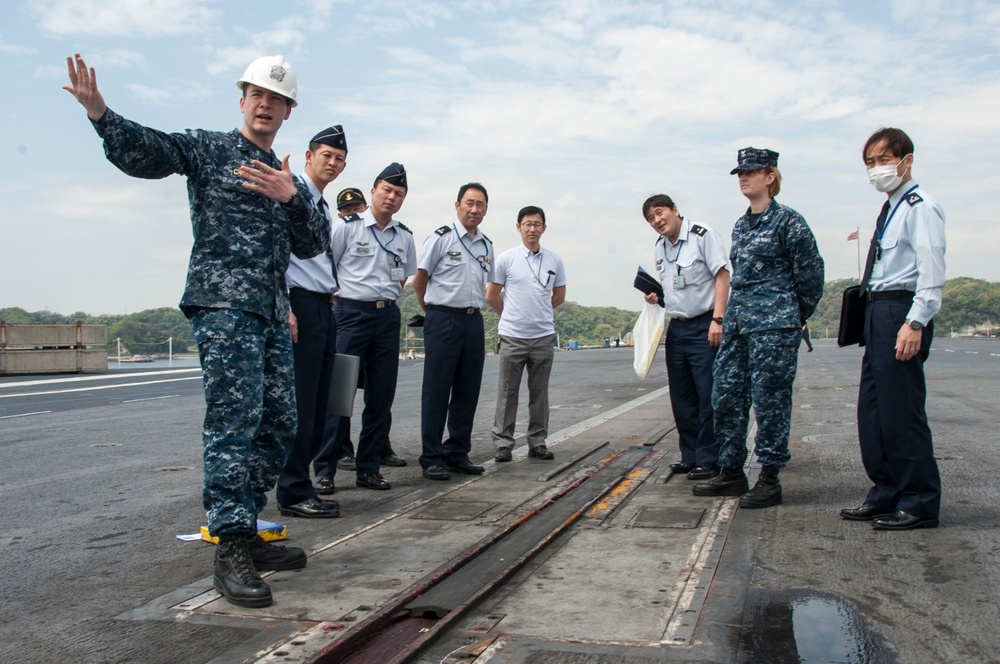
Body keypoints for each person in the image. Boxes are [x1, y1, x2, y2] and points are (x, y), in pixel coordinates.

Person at [64, 54, 328, 608]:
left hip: (272, 312)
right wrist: (101, 115)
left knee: (280, 422)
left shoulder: (285, 177)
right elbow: (152, 152)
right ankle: (229, 543)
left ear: (287, 111)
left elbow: (313, 243)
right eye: (256, 93)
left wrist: (292, 196)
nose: (264, 103)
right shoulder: (209, 148)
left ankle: (248, 529)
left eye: (276, 98)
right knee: (234, 422)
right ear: (242, 101)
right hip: (223, 306)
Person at [693, 148, 824, 508]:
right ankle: (731, 470)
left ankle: (769, 478)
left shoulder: (789, 222)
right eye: (740, 173)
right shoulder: (741, 224)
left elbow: (811, 275)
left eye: (751, 172)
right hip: (738, 325)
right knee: (726, 397)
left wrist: (792, 315)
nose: (743, 178)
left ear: (770, 176)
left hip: (774, 327)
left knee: (770, 401)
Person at [840, 128, 945, 530]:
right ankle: (886, 491)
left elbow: (931, 272)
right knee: (874, 413)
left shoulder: (921, 207)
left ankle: (920, 501)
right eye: (870, 162)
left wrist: (915, 321)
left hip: (902, 310)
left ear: (907, 160)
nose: (876, 169)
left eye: (884, 160)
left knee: (901, 412)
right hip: (877, 312)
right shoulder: (892, 208)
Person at [314, 164, 416, 491]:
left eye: (398, 194)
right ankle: (325, 469)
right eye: (386, 190)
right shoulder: (347, 227)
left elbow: (403, 277)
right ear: (373, 191)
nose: (391, 197)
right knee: (339, 395)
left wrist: (382, 301)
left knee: (380, 397)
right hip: (349, 314)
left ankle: (368, 468)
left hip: (387, 318)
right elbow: (326, 267)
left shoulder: (404, 236)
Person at [274, 127, 348, 520]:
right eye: (326, 155)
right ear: (308, 155)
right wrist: (285, 304)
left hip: (324, 306)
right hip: (299, 305)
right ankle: (292, 489)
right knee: (301, 403)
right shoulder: (293, 194)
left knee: (320, 402)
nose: (332, 163)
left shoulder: (320, 205)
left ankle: (302, 487)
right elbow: (279, 252)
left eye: (339, 159)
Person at [641, 194, 730, 481]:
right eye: (651, 219)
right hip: (677, 327)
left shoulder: (701, 236)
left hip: (705, 324)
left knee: (708, 396)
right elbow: (674, 290)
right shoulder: (660, 248)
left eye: (660, 213)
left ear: (675, 210)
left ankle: (709, 458)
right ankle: (690, 455)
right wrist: (657, 297)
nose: (657, 221)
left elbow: (722, 275)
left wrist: (718, 319)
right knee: (683, 398)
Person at [413, 183, 495, 480]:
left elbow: (489, 286)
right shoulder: (440, 238)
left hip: (473, 321)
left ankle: (457, 452)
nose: (475, 209)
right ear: (457, 205)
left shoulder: (487, 244)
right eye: (470, 203)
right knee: (437, 390)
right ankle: (431, 456)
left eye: (481, 204)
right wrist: (432, 312)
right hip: (443, 318)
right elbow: (420, 280)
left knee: (467, 390)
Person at [486, 206, 567, 462]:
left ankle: (537, 442)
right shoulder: (506, 258)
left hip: (543, 336)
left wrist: (539, 311)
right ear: (518, 226)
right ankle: (503, 443)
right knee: (507, 391)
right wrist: (509, 314)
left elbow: (559, 295)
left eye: (537, 224)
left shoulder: (554, 259)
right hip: (512, 336)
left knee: (539, 392)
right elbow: (492, 294)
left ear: (544, 227)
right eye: (528, 224)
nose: (532, 229)